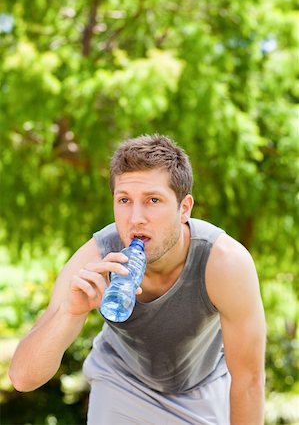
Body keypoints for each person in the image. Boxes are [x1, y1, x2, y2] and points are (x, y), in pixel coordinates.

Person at [9, 134, 266, 424]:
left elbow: (248, 381)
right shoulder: (95, 257)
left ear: (184, 208)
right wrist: (68, 313)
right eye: (124, 200)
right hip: (120, 382)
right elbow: (22, 378)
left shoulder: (224, 263)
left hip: (201, 389)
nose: (135, 218)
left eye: (153, 200)